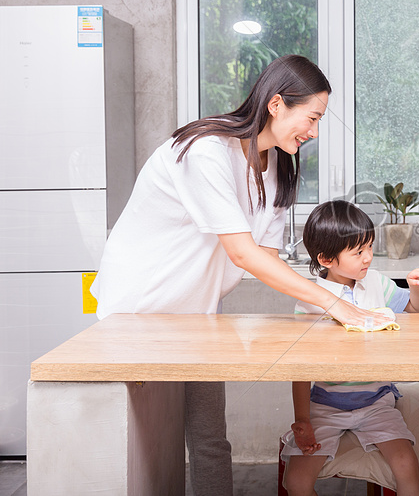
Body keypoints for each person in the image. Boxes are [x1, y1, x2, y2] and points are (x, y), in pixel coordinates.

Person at [90, 55, 389, 496]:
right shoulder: (206, 150)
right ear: (275, 104)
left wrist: (329, 304)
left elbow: (266, 260)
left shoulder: (279, 171)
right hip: (137, 312)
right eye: (312, 117)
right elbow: (244, 254)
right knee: (139, 445)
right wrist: (338, 305)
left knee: (211, 438)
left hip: (199, 311)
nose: (314, 132)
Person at [283, 200, 419, 496]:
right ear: (326, 259)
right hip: (325, 405)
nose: (368, 258)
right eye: (358, 252)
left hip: (377, 402)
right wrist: (303, 420)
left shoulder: (377, 282)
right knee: (295, 482)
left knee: (407, 465)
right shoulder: (311, 301)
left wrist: (417, 288)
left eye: (370, 248)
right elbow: (299, 367)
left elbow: (416, 312)